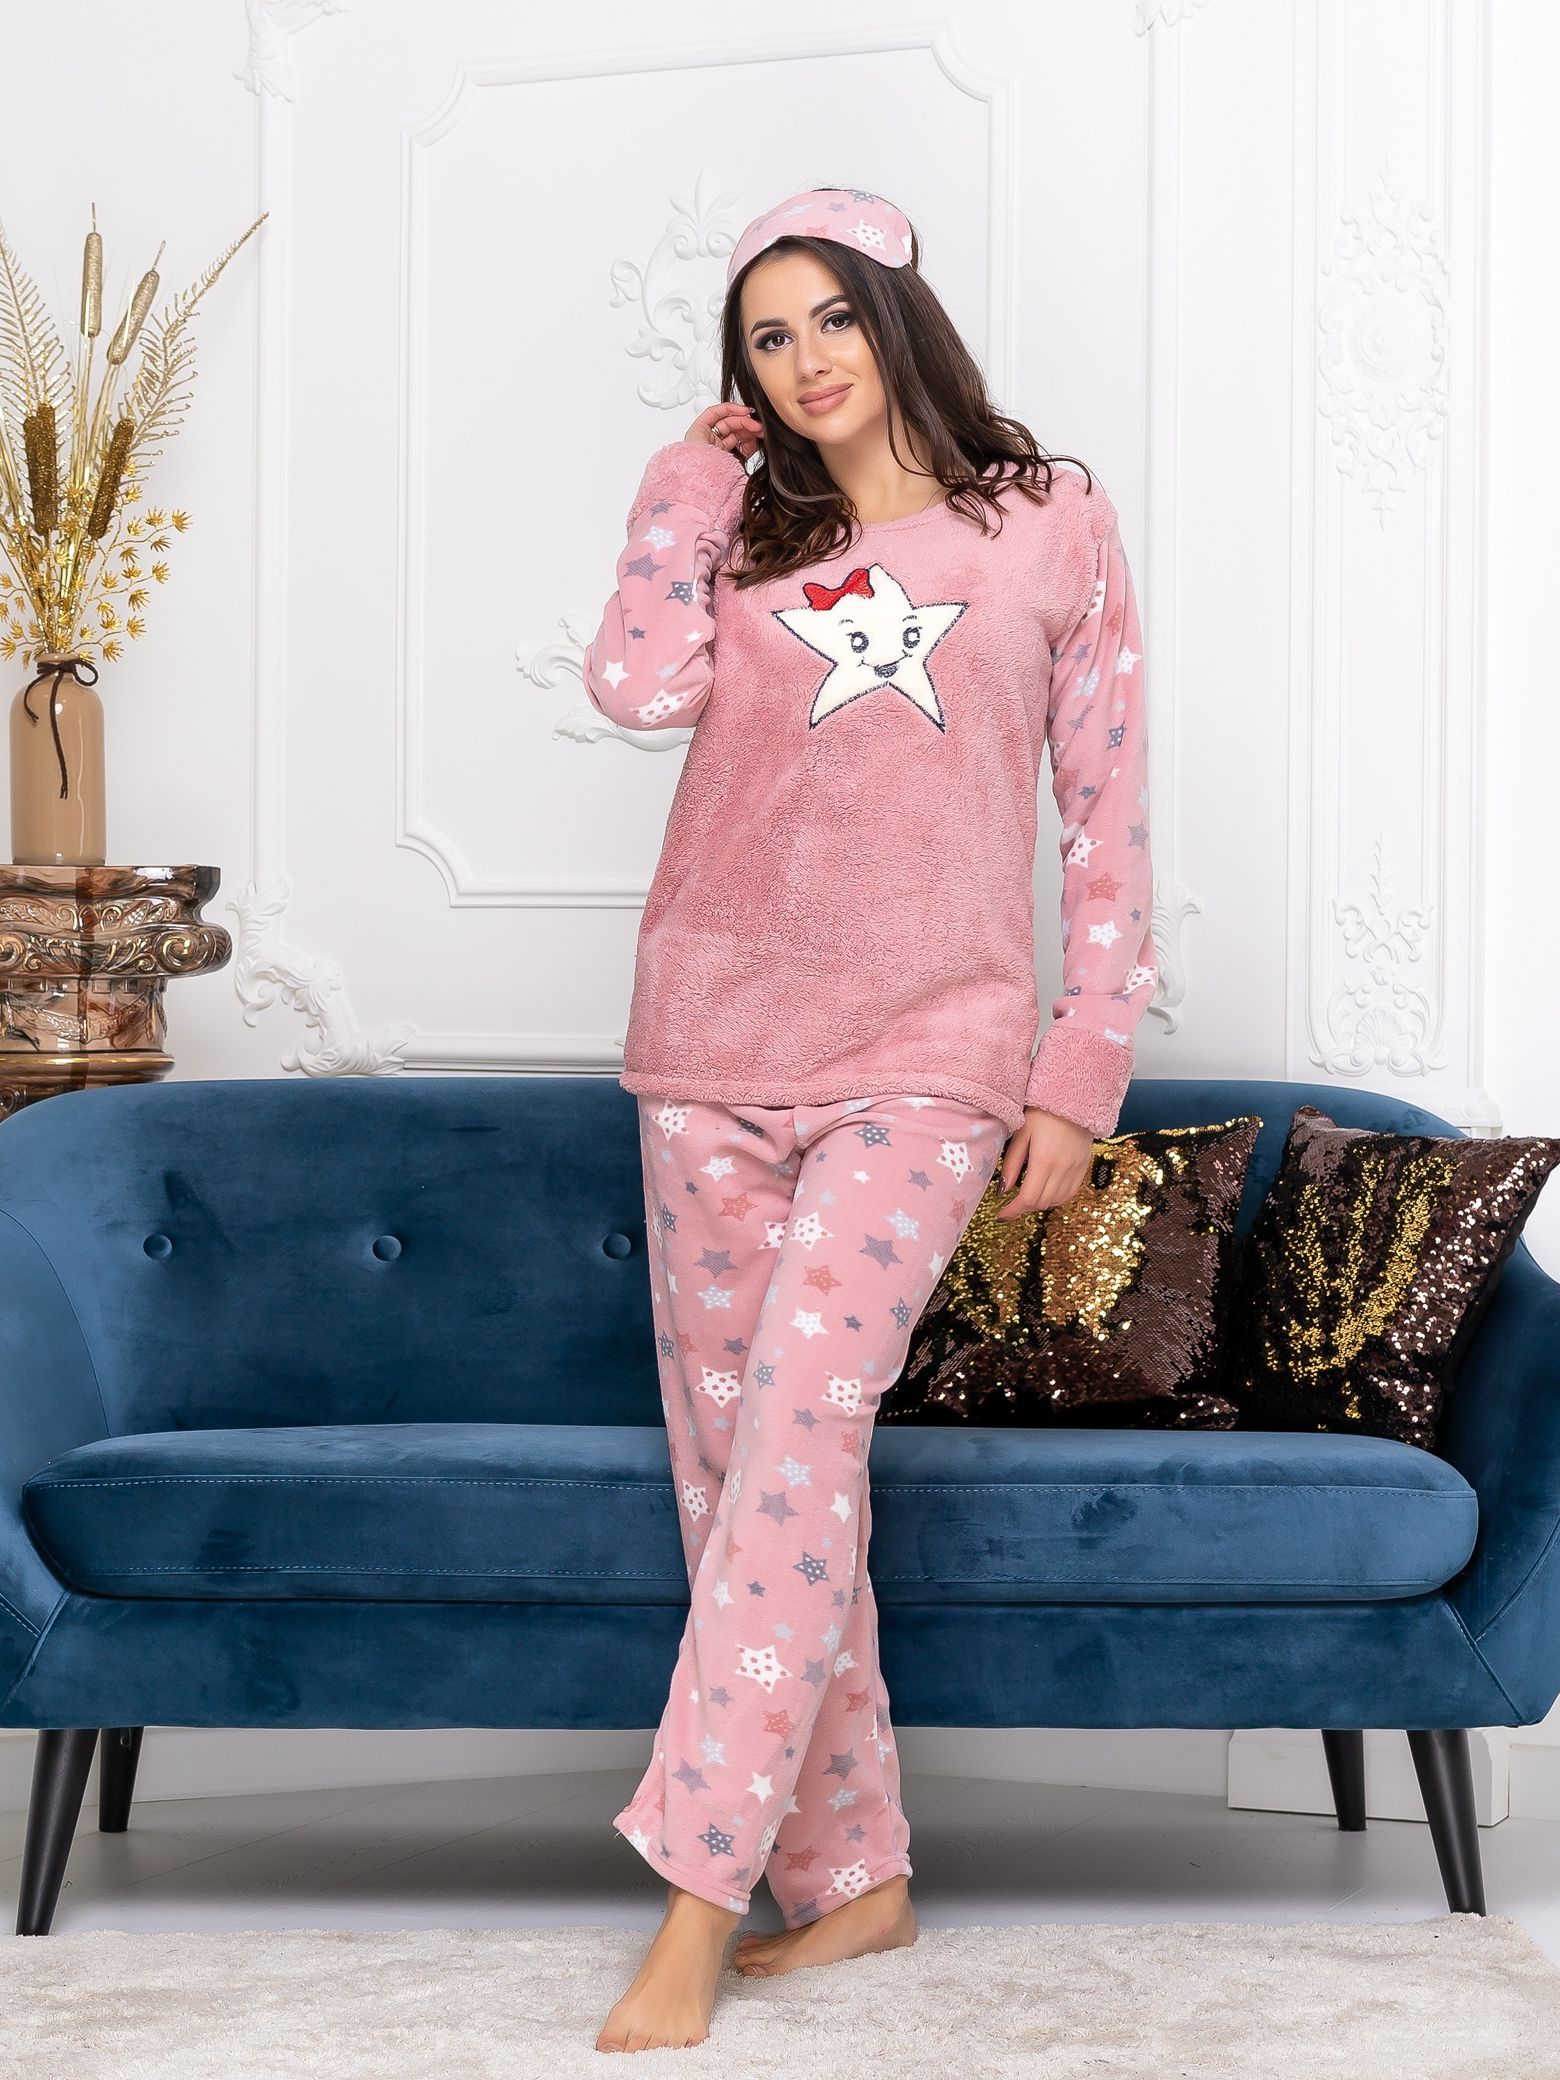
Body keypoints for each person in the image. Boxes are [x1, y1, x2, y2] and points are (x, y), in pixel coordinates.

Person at [580, 185, 1157, 2054]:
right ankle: (854, 1880)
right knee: (740, 1481)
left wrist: (1079, 1069)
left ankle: (693, 1905)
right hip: (707, 1048)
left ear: (897, 322)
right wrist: (685, 488)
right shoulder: (749, 531)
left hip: (929, 1055)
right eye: (767, 337)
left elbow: (1106, 816)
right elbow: (635, 684)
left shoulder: (1048, 521)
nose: (805, 359)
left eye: (831, 317)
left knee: (800, 1444)